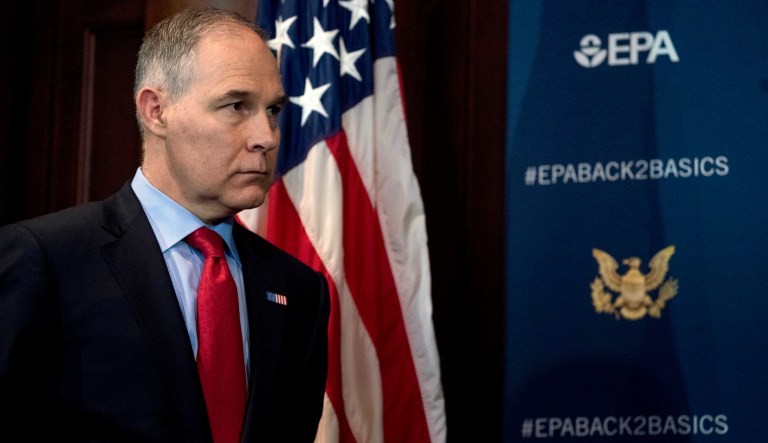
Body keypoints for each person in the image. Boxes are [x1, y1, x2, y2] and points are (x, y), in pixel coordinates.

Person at [0, 7, 329, 443]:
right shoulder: (45, 259)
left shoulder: (300, 290)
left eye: (272, 110)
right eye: (236, 106)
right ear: (156, 111)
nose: (266, 136)